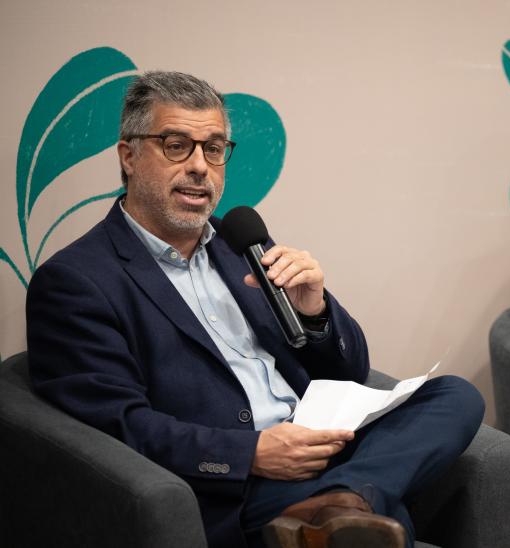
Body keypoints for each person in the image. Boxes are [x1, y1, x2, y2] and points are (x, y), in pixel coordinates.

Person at [26, 71, 484, 548]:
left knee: (455, 395)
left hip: (321, 445)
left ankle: (344, 501)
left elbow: (352, 370)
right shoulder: (78, 281)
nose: (201, 166)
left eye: (215, 147)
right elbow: (118, 424)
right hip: (238, 484)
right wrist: (251, 454)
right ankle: (351, 505)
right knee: (382, 523)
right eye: (177, 145)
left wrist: (316, 311)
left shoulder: (240, 242)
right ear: (129, 156)